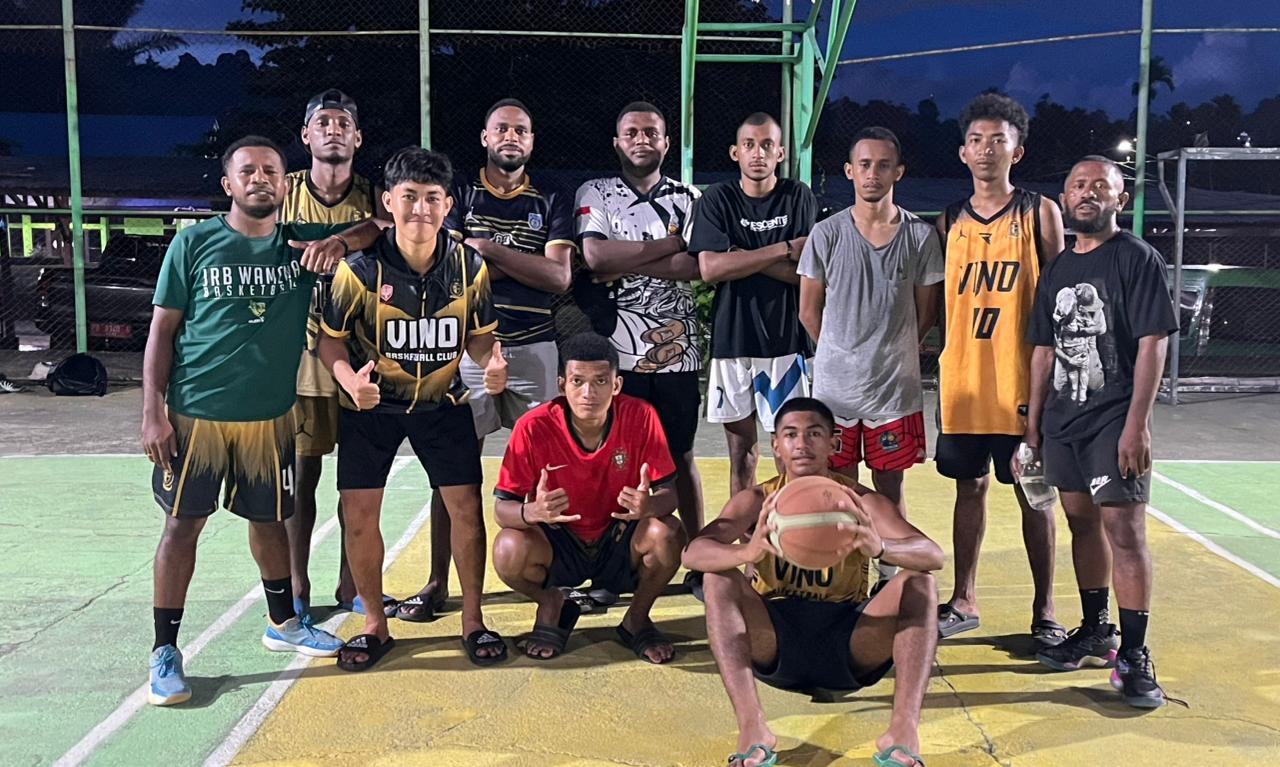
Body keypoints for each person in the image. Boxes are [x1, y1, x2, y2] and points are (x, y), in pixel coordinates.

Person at [139, 135, 381, 705]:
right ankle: (164, 650)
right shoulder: (193, 243)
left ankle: (283, 622)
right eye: (247, 171)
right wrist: (152, 412)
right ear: (228, 184)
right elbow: (161, 331)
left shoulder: (300, 244)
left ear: (284, 184)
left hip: (270, 417)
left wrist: (338, 242)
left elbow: (377, 226)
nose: (259, 179)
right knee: (182, 527)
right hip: (196, 413)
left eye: (270, 170)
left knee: (271, 522)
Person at [318, 146, 509, 671]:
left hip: (442, 403)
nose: (420, 209)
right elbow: (330, 341)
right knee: (359, 515)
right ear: (388, 201)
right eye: (409, 197)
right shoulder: (359, 270)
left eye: (431, 198)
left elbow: (480, 337)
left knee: (466, 508)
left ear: (447, 205)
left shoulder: (470, 266)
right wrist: (347, 381)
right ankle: (374, 624)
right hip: (372, 405)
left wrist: (491, 363)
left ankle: (473, 619)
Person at [684, 397, 941, 767]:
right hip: (775, 638)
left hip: (849, 641)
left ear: (833, 443)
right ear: (776, 445)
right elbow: (693, 554)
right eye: (791, 434)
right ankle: (753, 728)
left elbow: (932, 555)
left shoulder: (860, 501)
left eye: (814, 433)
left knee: (920, 584)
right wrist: (747, 552)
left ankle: (902, 731)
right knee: (716, 579)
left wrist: (881, 547)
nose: (802, 443)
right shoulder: (758, 499)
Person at [405, 98, 576, 623]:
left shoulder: (552, 196)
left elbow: (558, 277)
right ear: (485, 137)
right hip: (466, 350)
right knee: (452, 474)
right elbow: (447, 268)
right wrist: (524, 263)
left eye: (521, 130)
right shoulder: (457, 192)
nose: (511, 137)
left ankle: (553, 575)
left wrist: (491, 251)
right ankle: (439, 582)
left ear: (532, 140)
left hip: (535, 347)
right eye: (501, 128)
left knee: (550, 469)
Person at [1027, 156, 1177, 708]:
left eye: (1100, 186)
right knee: (1080, 523)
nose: (1087, 193)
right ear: (1065, 197)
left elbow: (1154, 342)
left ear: (1120, 198)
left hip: (1113, 418)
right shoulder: (1058, 268)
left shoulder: (1136, 258)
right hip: (1062, 420)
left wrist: (1137, 425)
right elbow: (1043, 350)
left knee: (1125, 531)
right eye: (1077, 185)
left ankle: (1134, 656)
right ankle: (1096, 629)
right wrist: (1032, 426)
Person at [933, 93, 1067, 649]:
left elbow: (1061, 301)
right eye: (976, 140)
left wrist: (1055, 384)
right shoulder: (947, 220)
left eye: (998, 140)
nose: (986, 149)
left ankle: (1046, 610)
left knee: (1035, 494)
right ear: (963, 152)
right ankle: (964, 599)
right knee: (969, 488)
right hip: (964, 384)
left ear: (1018, 151)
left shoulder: (1039, 212)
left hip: (1023, 383)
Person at [491, 332, 685, 663]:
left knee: (668, 533)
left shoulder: (641, 416)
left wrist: (648, 505)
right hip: (559, 540)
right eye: (578, 381)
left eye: (600, 381)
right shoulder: (532, 426)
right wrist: (532, 511)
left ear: (617, 385)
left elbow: (669, 496)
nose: (588, 393)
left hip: (619, 535)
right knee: (508, 548)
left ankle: (637, 619)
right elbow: (501, 511)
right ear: (562, 385)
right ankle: (550, 602)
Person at [797, 127, 942, 553]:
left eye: (883, 165)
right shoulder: (827, 233)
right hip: (835, 392)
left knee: (889, 489)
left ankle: (891, 569)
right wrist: (839, 351)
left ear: (898, 172)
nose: (872, 174)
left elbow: (927, 311)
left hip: (893, 391)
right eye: (864, 165)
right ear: (849, 171)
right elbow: (808, 310)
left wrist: (896, 349)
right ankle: (846, 569)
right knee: (839, 487)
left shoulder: (920, 236)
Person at [575, 102, 704, 559]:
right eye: (631, 133)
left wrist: (623, 260)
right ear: (617, 142)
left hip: (678, 350)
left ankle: (698, 557)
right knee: (618, 457)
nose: (641, 139)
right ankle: (616, 560)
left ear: (666, 143)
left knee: (681, 454)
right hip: (617, 355)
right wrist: (671, 244)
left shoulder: (689, 197)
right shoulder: (597, 191)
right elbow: (594, 257)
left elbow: (695, 266)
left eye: (651, 132)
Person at [281, 88, 389, 620]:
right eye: (322, 122)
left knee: (358, 479)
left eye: (343, 123)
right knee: (302, 476)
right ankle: (296, 584)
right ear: (306, 135)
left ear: (358, 137)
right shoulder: (284, 191)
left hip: (358, 352)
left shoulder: (374, 196)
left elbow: (389, 226)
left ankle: (354, 583)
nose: (333, 130)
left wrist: (343, 241)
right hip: (299, 354)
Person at [689, 112, 816, 497]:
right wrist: (782, 249)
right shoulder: (717, 198)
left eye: (766, 145)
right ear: (735, 152)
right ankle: (747, 534)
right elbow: (710, 269)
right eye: (749, 145)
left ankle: (790, 531)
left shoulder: (798, 196)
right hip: (733, 341)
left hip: (786, 343)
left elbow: (805, 275)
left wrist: (739, 257)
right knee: (741, 455)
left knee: (791, 454)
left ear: (780, 153)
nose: (757, 153)